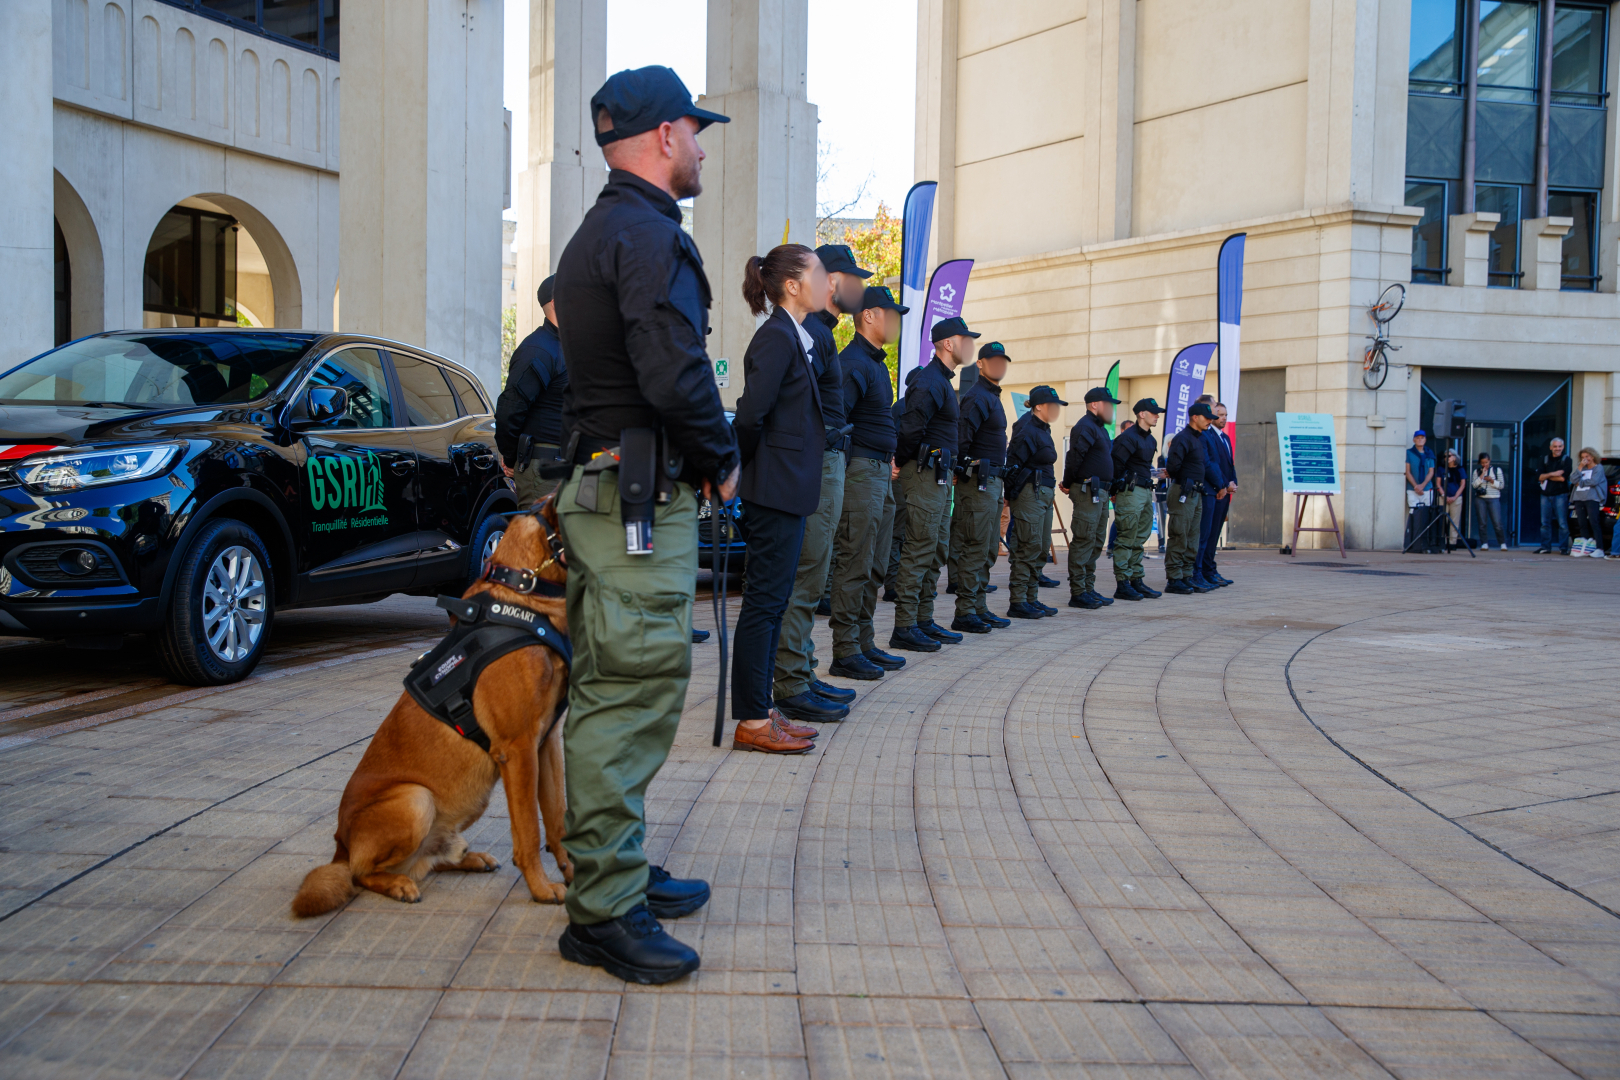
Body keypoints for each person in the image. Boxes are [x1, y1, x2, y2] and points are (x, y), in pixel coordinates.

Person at [552, 66, 737, 984]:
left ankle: (611, 862)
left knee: (609, 685)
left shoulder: (601, 230)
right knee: (630, 690)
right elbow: (674, 373)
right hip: (635, 497)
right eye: (696, 132)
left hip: (609, 486)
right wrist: (721, 455)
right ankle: (603, 911)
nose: (703, 148)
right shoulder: (648, 234)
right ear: (664, 135)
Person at [729, 244, 834, 745]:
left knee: (772, 603)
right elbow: (750, 415)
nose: (826, 281)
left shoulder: (795, 336)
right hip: (774, 488)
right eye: (817, 272)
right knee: (764, 605)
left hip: (787, 487)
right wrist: (741, 467)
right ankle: (752, 720)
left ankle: (763, 709)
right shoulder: (775, 338)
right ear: (792, 284)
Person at [772, 244, 867, 721]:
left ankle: (801, 670)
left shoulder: (819, 331)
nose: (861, 290)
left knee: (813, 572)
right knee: (806, 574)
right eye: (854, 280)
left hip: (826, 461)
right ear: (830, 281)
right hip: (815, 463)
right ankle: (790, 681)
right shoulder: (808, 331)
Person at [827, 286, 910, 680]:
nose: (895, 321)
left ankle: (863, 642)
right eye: (889, 313)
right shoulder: (854, 363)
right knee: (855, 559)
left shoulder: (876, 364)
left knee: (875, 563)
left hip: (879, 472)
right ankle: (845, 651)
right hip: (859, 472)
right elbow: (836, 422)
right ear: (869, 316)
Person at [890, 317, 975, 651]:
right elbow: (910, 428)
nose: (969, 344)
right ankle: (905, 626)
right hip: (924, 473)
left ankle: (923, 619)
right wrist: (899, 459)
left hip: (939, 476)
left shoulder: (943, 381)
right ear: (947, 344)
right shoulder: (929, 382)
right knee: (919, 547)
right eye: (964, 339)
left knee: (936, 548)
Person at [948, 341, 1012, 633]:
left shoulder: (993, 396)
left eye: (1003, 361)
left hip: (993, 482)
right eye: (993, 360)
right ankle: (965, 612)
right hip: (978, 483)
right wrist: (961, 471)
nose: (1000, 366)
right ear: (982, 364)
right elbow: (962, 438)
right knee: (975, 546)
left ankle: (978, 606)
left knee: (987, 547)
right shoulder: (976, 397)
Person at [495, 274, 569, 509]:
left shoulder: (567, 347)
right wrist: (510, 458)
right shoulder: (538, 349)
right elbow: (510, 410)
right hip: (543, 470)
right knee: (540, 544)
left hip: (567, 467)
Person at [1005, 387, 1065, 617]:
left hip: (1043, 492)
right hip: (1030, 492)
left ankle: (1031, 598)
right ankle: (1018, 601)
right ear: (1039, 406)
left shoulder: (1042, 429)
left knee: (1040, 547)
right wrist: (1009, 496)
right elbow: (1013, 463)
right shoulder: (1027, 429)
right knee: (1026, 546)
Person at [1060, 387, 1120, 609]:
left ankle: (1088, 588)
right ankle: (1078, 592)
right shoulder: (1085, 427)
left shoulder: (1100, 429)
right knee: (1084, 540)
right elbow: (1074, 458)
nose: (1112, 408)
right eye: (1108, 404)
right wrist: (1068, 483)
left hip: (1101, 492)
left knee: (1096, 541)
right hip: (1088, 491)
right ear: (1094, 404)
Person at [1110, 399, 1166, 600]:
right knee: (1126, 537)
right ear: (1141, 414)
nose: (1157, 416)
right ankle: (1123, 583)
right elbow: (1116, 465)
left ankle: (1136, 579)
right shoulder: (1127, 438)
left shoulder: (1150, 439)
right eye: (1154, 412)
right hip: (1130, 491)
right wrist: (1114, 490)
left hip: (1144, 490)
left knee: (1140, 537)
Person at [1164, 403, 1218, 593]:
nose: (1210, 421)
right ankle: (1174, 579)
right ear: (1195, 417)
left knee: (1192, 538)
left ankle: (1187, 575)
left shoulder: (1198, 438)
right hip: (1183, 492)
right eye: (1207, 417)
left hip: (1196, 493)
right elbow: (1172, 466)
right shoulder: (1182, 438)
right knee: (1179, 535)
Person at [1194, 400, 1237, 587]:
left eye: (1226, 415)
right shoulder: (1207, 435)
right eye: (1220, 415)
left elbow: (1229, 464)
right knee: (1208, 534)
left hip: (1225, 490)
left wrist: (1233, 481)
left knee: (1216, 532)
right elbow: (1212, 464)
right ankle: (1204, 570)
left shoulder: (1225, 438)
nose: (1223, 418)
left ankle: (1210, 569)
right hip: (1215, 489)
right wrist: (1222, 484)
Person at [1569, 447, 1609, 558]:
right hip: (1579, 498)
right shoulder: (1582, 468)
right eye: (1583, 457)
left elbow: (1594, 481)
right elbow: (1572, 479)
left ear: (1593, 456)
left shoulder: (1598, 468)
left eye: (1587, 456)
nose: (1585, 459)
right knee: (1582, 523)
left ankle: (1599, 548)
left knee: (1594, 522)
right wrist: (1580, 467)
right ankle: (1585, 547)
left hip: (1592, 498)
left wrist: (1580, 483)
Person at [1536, 437, 1573, 554]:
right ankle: (1545, 547)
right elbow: (1539, 477)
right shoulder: (1544, 459)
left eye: (1560, 446)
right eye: (1555, 446)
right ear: (1551, 447)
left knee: (1562, 523)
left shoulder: (1567, 460)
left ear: (1563, 447)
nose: (1557, 449)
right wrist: (1553, 474)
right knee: (1544, 523)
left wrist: (1546, 475)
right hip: (1545, 495)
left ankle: (1563, 548)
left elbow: (1562, 478)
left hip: (1560, 495)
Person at [1405, 430, 1437, 553]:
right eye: (1417, 438)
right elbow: (1408, 471)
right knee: (1413, 514)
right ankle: (1412, 543)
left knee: (1425, 515)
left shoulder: (1429, 453)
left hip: (1427, 489)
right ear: (1414, 440)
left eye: (1422, 438)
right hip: (1413, 489)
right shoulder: (1409, 453)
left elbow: (1431, 471)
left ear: (1425, 440)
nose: (1420, 440)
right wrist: (1416, 486)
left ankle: (1424, 544)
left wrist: (1423, 485)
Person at [1472, 452, 1506, 549]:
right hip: (1480, 499)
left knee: (1497, 522)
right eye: (1482, 463)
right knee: (1482, 522)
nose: (1484, 465)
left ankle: (1502, 543)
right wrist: (1482, 475)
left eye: (1486, 462)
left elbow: (1501, 485)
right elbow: (1474, 485)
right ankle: (1484, 543)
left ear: (1489, 461)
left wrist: (1491, 480)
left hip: (1494, 498)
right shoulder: (1477, 471)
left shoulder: (1497, 470)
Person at [1439, 449, 1466, 550]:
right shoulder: (1441, 469)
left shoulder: (1460, 469)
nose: (1446, 458)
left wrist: (1455, 497)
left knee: (1454, 521)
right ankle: (1443, 542)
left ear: (1455, 457)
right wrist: (1444, 495)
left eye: (1449, 456)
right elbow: (1438, 483)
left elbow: (1463, 484)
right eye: (1445, 456)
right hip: (1443, 497)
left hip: (1456, 497)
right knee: (1442, 521)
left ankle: (1452, 543)